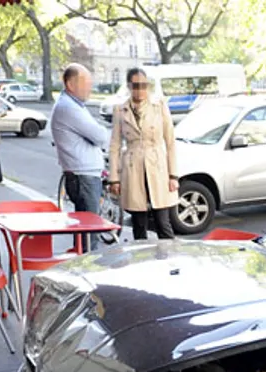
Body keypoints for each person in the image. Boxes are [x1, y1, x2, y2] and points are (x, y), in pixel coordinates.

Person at [107, 68, 178, 239]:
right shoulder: (120, 110)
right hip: (133, 167)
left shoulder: (159, 106)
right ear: (129, 86)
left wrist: (173, 175)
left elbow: (170, 141)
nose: (141, 90)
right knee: (138, 223)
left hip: (156, 165)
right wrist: (114, 178)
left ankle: (169, 261)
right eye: (136, 86)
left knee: (163, 221)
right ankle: (141, 260)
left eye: (144, 85)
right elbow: (115, 145)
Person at [51, 64, 110, 244]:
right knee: (90, 235)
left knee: (88, 232)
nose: (90, 88)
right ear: (70, 84)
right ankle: (89, 268)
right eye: (85, 83)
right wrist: (100, 133)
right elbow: (100, 135)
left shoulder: (73, 105)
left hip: (83, 175)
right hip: (83, 176)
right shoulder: (69, 108)